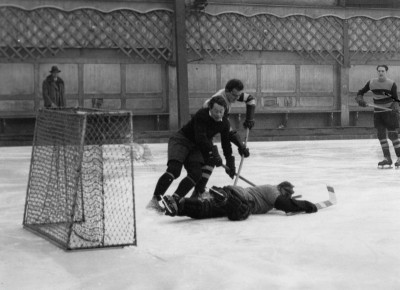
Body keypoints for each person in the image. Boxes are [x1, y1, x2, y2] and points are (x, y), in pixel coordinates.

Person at [146, 96, 235, 213]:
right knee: (174, 170)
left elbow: (226, 145)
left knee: (196, 173)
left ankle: (174, 199)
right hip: (181, 140)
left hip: (195, 146)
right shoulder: (202, 115)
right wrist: (214, 152)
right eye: (215, 111)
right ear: (210, 109)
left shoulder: (225, 123)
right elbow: (201, 137)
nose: (218, 115)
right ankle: (155, 200)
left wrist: (230, 163)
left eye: (221, 112)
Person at [191, 79, 255, 198]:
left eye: (238, 95)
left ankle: (198, 192)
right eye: (235, 95)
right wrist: (239, 147)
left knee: (209, 161)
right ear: (227, 92)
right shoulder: (218, 105)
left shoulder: (231, 95)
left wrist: (250, 118)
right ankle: (197, 192)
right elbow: (227, 135)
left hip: (209, 133)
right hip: (201, 134)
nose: (237, 99)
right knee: (209, 160)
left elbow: (250, 99)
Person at [162, 181, 318, 221]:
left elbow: (283, 203)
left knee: (207, 210)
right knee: (241, 212)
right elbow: (285, 206)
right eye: (287, 193)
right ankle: (224, 198)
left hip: (234, 194)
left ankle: (178, 206)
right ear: (281, 188)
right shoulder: (273, 190)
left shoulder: (271, 195)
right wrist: (307, 205)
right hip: (241, 197)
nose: (287, 196)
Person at [356, 65, 400, 168]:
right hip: (378, 113)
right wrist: (360, 100)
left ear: (386, 72)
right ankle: (387, 158)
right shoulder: (371, 83)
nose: (381, 73)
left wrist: (395, 106)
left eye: (383, 71)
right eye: (379, 71)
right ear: (377, 72)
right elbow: (360, 92)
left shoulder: (391, 84)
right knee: (381, 135)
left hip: (389, 113)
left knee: (393, 135)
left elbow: (396, 100)